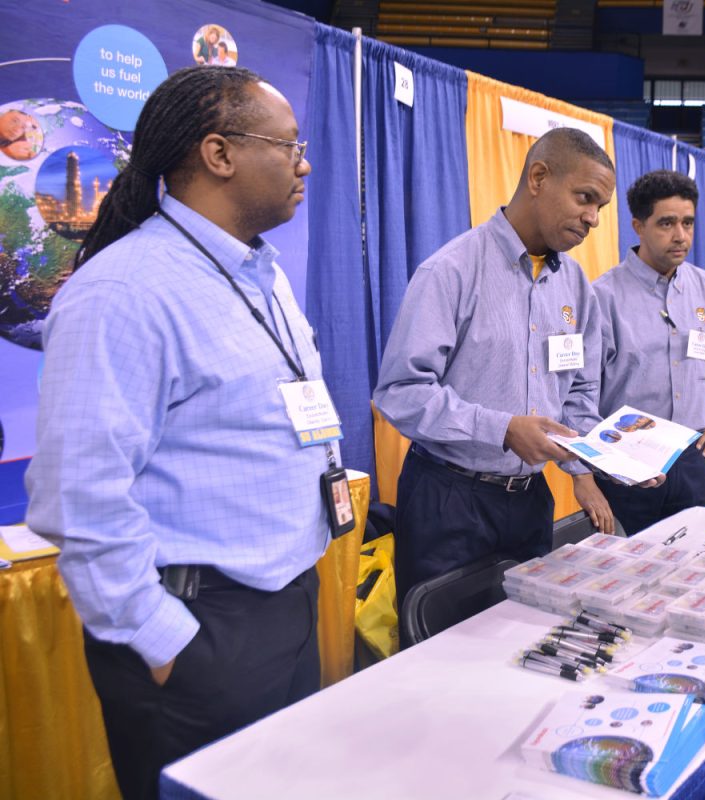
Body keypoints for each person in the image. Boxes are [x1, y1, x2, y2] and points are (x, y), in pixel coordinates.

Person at [24, 67, 328, 800]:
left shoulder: (263, 274)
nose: (303, 163)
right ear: (219, 154)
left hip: (285, 602)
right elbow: (77, 500)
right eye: (288, 146)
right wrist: (166, 647)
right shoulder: (124, 291)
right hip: (198, 629)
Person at [373, 128, 638, 594]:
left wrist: (609, 461)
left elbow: (576, 395)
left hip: (529, 501)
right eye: (585, 198)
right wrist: (501, 429)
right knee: (441, 656)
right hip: (449, 499)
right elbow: (400, 393)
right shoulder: (452, 271)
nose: (593, 218)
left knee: (523, 643)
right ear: (538, 177)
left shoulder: (575, 286)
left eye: (601, 207)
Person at [591, 170, 705, 535]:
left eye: (687, 222)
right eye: (666, 223)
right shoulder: (602, 297)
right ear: (638, 225)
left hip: (694, 455)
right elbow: (580, 390)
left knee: (694, 563)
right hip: (625, 462)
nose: (680, 235)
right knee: (627, 573)